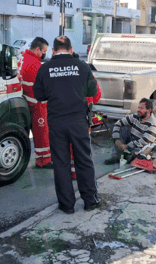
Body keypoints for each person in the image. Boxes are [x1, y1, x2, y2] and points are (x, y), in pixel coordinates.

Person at [34, 36, 100, 214]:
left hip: (56, 122)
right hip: (78, 121)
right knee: (84, 161)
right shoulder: (82, 66)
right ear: (71, 49)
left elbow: (39, 96)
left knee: (61, 163)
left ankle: (67, 205)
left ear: (54, 50)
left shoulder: (44, 68)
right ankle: (90, 201)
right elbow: (93, 91)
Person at [18, 37, 53, 168]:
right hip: (37, 103)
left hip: (27, 101)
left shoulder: (23, 58)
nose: (44, 54)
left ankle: (42, 158)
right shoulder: (35, 64)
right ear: (38, 49)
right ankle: (43, 160)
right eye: (43, 51)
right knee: (41, 133)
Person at [104, 98, 156, 165]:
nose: (138, 110)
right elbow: (118, 123)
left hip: (144, 147)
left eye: (141, 108)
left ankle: (125, 156)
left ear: (149, 110)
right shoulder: (136, 116)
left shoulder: (152, 123)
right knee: (123, 128)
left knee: (137, 154)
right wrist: (117, 140)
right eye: (138, 108)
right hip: (133, 141)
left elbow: (144, 142)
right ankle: (116, 156)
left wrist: (127, 146)